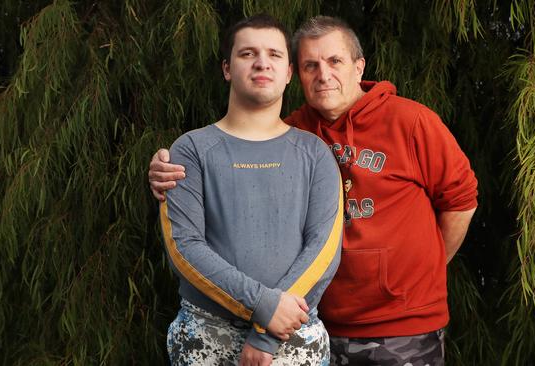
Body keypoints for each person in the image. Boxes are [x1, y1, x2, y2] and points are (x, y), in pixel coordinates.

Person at [152, 15, 477, 366]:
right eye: (311, 65)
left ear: (358, 66)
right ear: (297, 74)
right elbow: (239, 147)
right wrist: (162, 172)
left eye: (335, 61)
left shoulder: (411, 122)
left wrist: (423, 271)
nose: (323, 74)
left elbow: (460, 201)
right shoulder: (293, 134)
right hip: (308, 319)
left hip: (399, 326)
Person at [159, 14, 343, 366]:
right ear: (227, 68)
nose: (262, 62)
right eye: (248, 54)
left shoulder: (315, 153)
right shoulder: (190, 149)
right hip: (205, 334)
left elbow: (324, 250)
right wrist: (263, 306)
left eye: (275, 54)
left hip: (293, 339)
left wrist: (267, 332)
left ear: (289, 73)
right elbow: (184, 247)